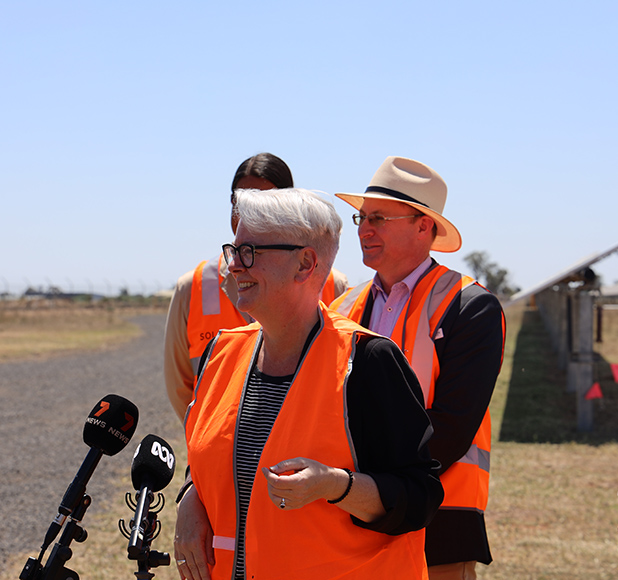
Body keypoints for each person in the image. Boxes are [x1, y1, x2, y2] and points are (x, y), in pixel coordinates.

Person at [173, 188, 443, 580]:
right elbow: (209, 457)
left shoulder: (367, 362)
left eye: (250, 253)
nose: (234, 266)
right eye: (234, 252)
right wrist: (189, 498)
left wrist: (336, 485)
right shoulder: (221, 353)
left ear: (305, 264)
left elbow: (419, 496)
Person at [330, 156, 505, 580]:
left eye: (379, 218)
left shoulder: (471, 307)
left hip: (438, 521)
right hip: (347, 517)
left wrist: (369, 489)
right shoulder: (340, 308)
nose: (364, 230)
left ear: (424, 225)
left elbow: (452, 425)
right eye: (361, 218)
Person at [163, 153, 348, 420]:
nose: (248, 213)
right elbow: (179, 386)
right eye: (240, 202)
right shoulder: (192, 287)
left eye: (265, 202)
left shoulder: (333, 285)